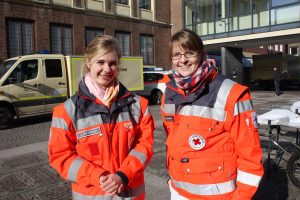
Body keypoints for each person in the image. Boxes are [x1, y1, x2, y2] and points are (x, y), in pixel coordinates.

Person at [161, 29, 264, 200]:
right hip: (178, 191)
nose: (183, 60)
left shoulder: (232, 94)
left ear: (202, 55)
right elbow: (173, 143)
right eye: (177, 55)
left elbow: (250, 156)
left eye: (190, 53)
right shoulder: (169, 93)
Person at [48, 35, 154, 199]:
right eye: (100, 62)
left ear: (118, 65)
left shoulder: (139, 105)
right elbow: (60, 155)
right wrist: (98, 177)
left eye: (112, 63)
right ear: (88, 62)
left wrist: (123, 175)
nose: (107, 69)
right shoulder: (66, 111)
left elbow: (144, 146)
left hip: (129, 194)